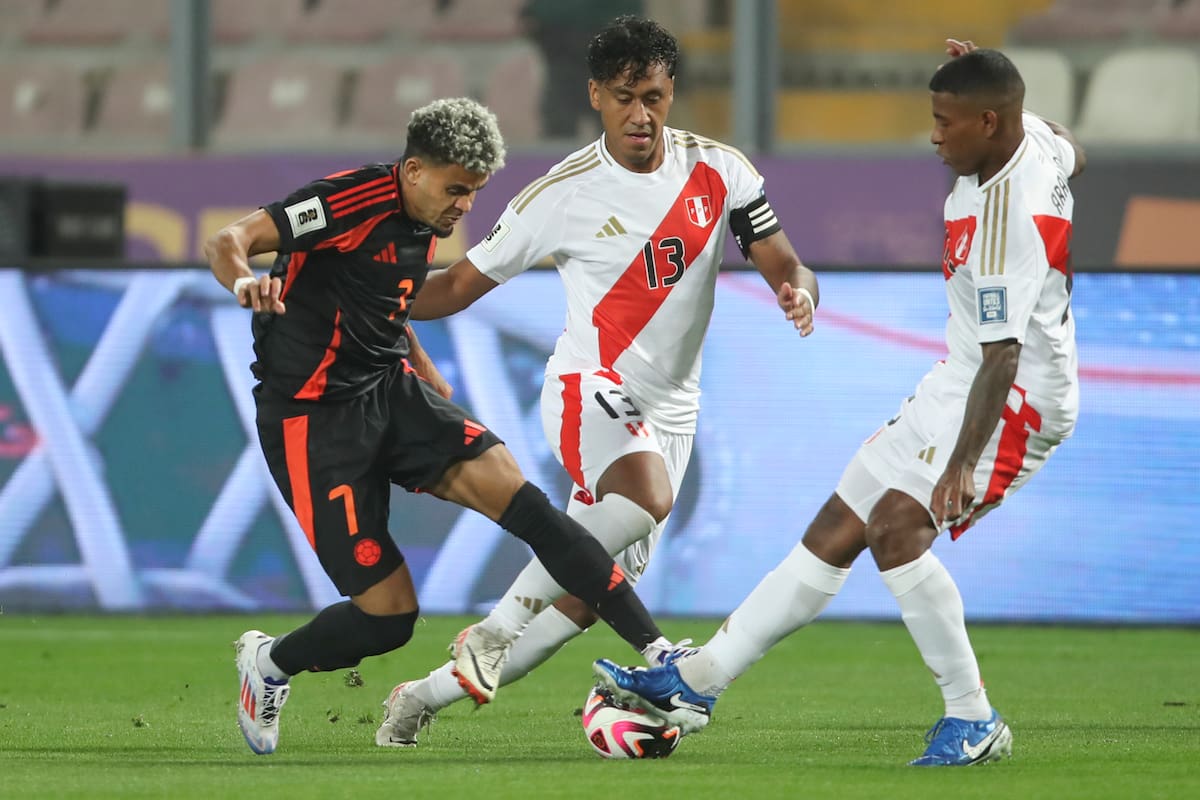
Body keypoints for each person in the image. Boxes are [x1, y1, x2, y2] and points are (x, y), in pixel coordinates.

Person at [595, 40, 1087, 765]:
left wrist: (959, 465)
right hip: (965, 373)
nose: (934, 134)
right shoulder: (1032, 141)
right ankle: (694, 684)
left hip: (1015, 397)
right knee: (838, 524)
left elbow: (1005, 354)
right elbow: (1071, 147)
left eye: (947, 121)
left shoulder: (1005, 220)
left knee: (895, 528)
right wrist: (995, 83)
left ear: (989, 122)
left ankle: (973, 719)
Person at [374, 15, 817, 748]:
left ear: (671, 92)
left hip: (674, 413)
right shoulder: (563, 194)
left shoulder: (720, 169)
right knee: (645, 499)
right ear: (595, 97)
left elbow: (778, 252)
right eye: (624, 98)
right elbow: (454, 288)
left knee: (578, 605)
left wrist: (795, 289)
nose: (641, 114)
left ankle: (420, 698)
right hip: (591, 388)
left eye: (654, 96)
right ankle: (496, 626)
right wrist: (367, 287)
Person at [204, 97, 679, 756]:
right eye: (456, 190)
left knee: (533, 510)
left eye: (475, 193)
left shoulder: (425, 213)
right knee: (388, 618)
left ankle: (659, 652)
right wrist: (242, 283)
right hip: (312, 422)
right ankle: (272, 663)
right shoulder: (345, 200)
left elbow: (382, 306)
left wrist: (424, 371)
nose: (463, 207)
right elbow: (228, 241)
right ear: (414, 168)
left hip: (390, 392)